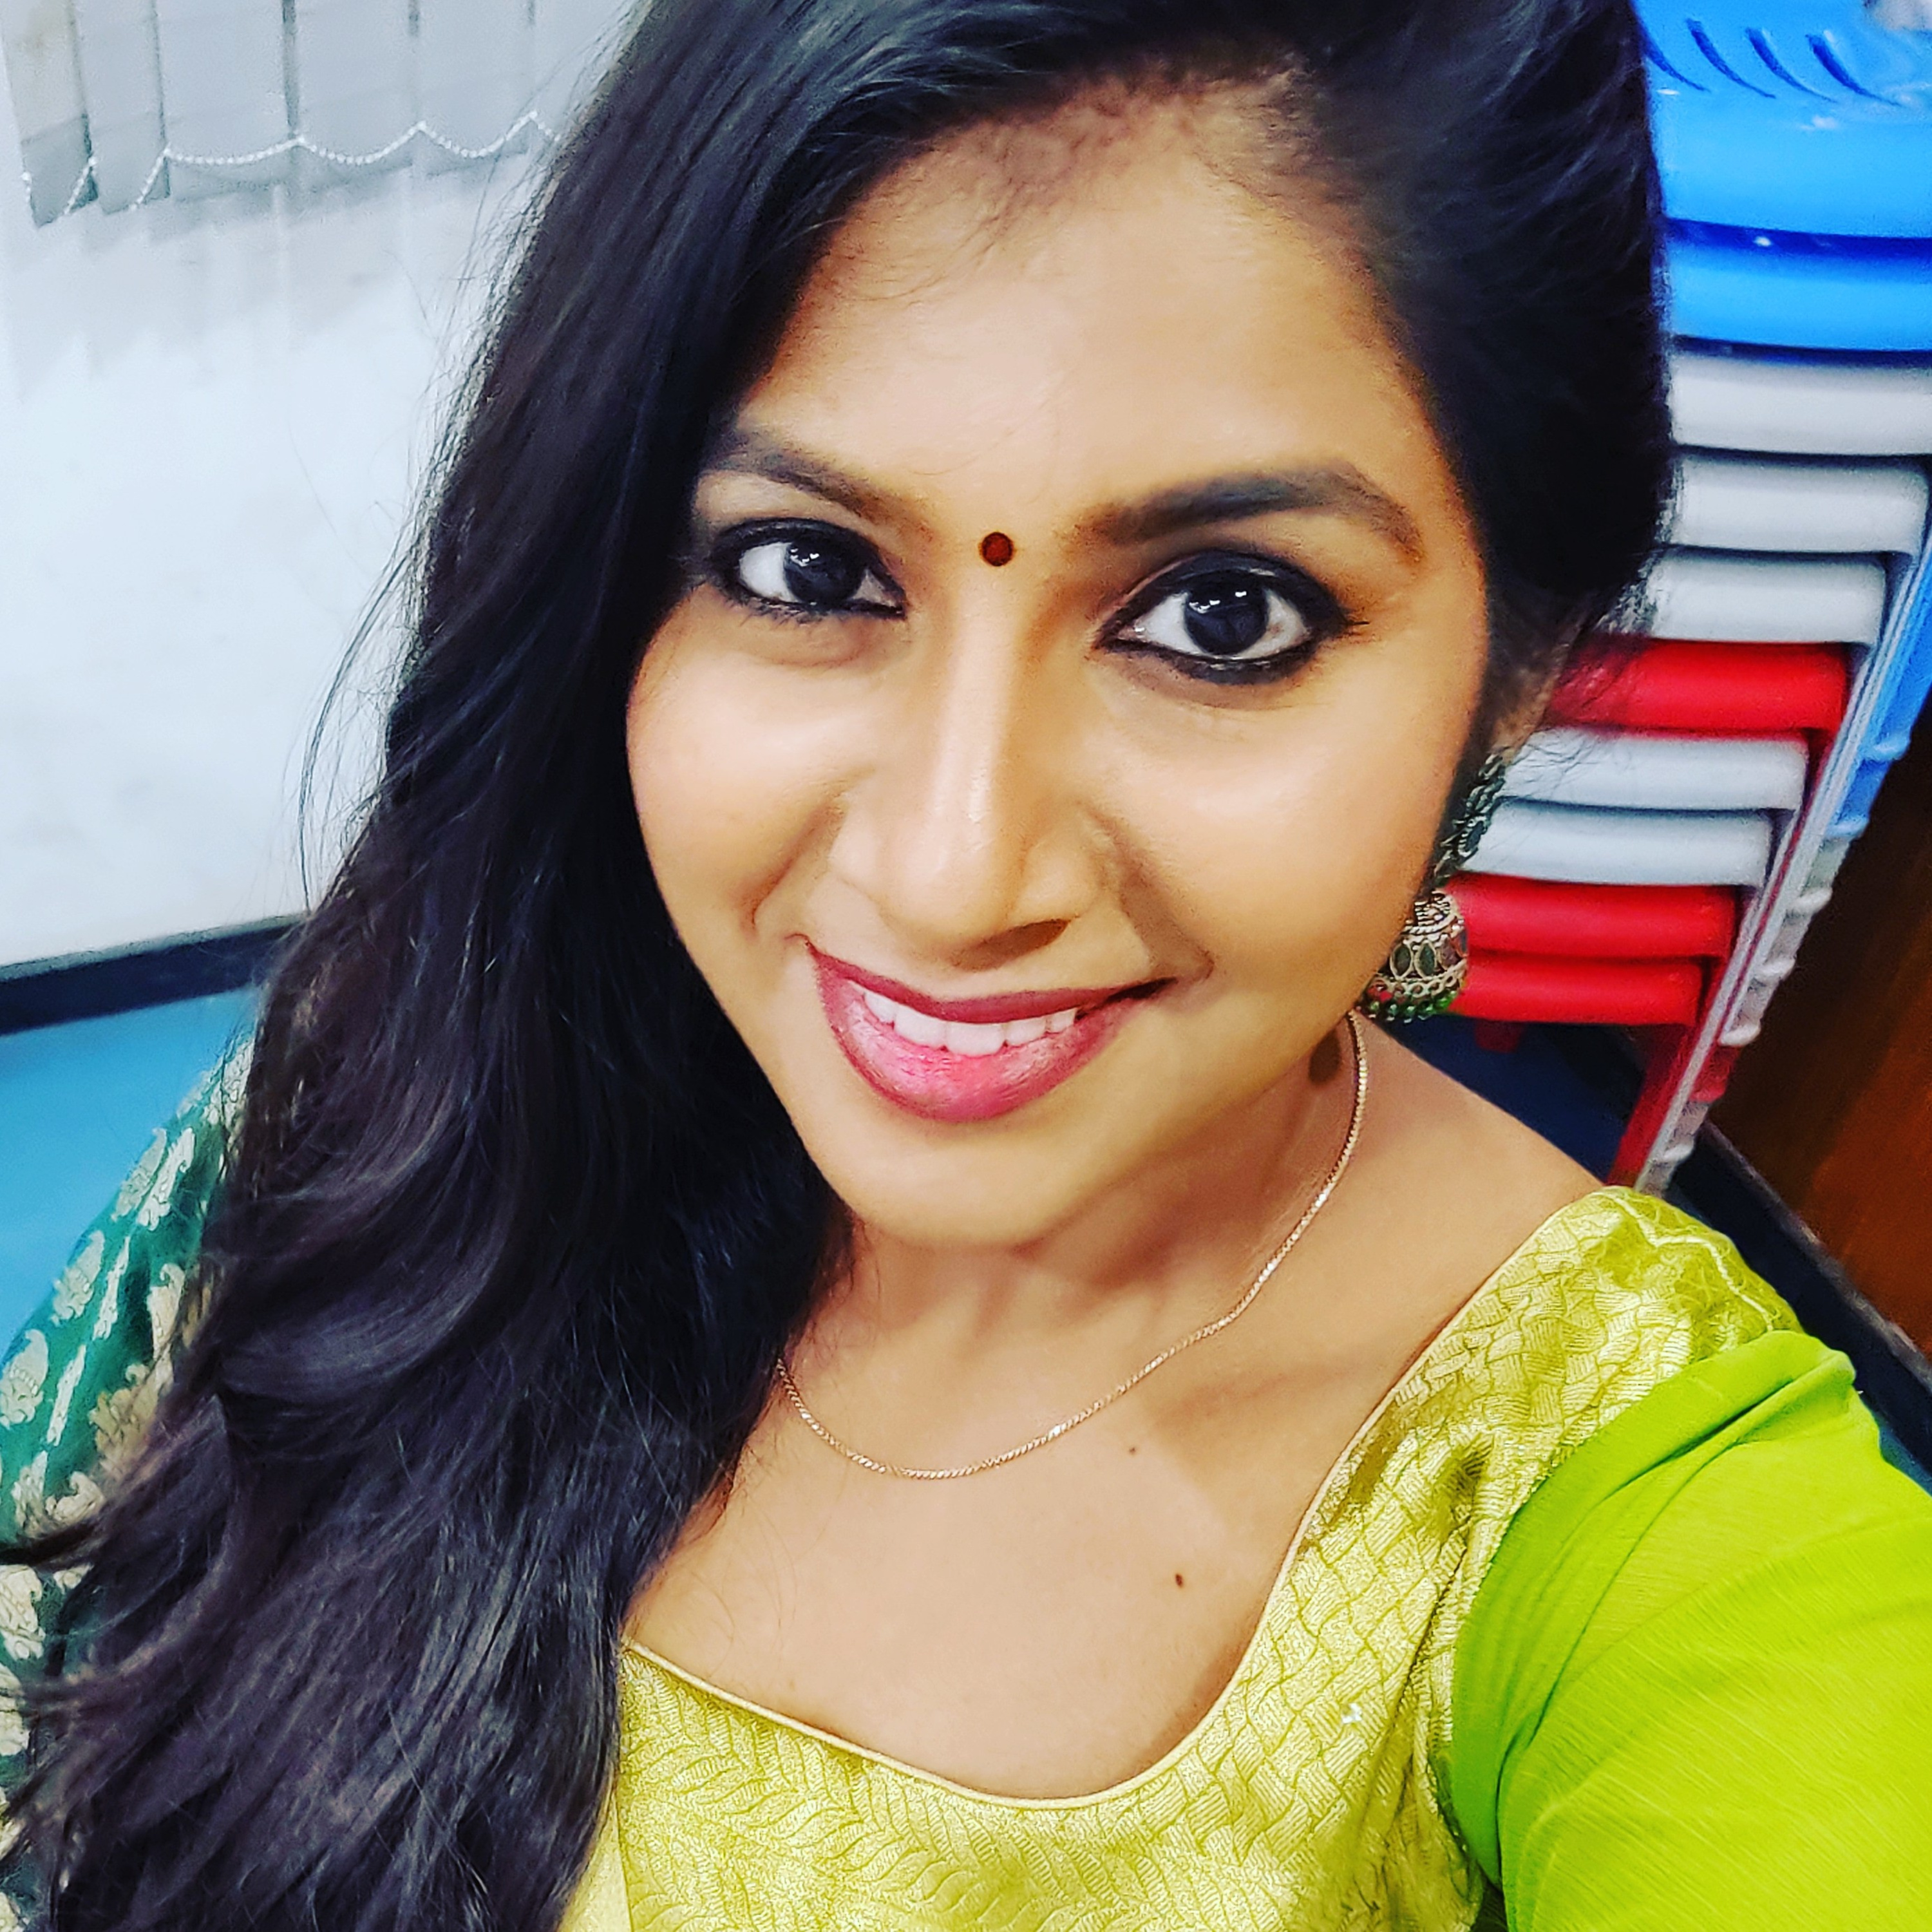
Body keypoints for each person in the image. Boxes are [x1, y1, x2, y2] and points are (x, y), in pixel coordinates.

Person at [5, 1, 1931, 1926]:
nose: (948, 875)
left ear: (1524, 667)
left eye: (1223, 616)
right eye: (808, 569)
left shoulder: (1618, 1507)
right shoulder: (402, 1077)